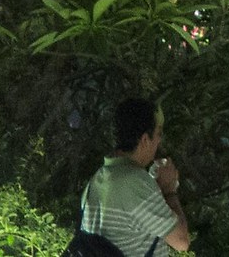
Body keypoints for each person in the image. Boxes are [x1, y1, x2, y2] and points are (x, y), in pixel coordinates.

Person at [78, 97, 192, 257]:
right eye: (158, 134)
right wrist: (169, 190)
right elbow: (181, 242)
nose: (159, 141)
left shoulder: (99, 178)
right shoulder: (135, 182)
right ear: (145, 139)